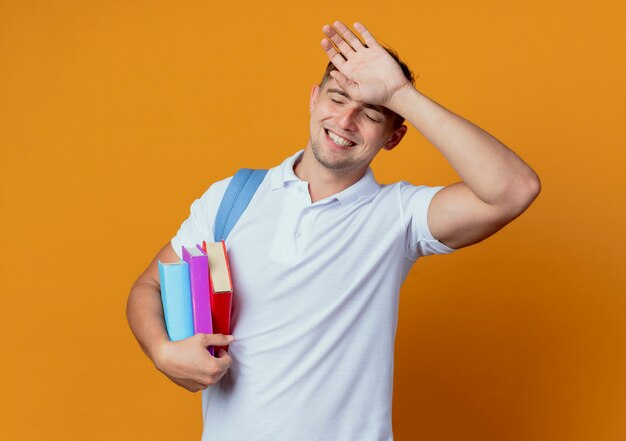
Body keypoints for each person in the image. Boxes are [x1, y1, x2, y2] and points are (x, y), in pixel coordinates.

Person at [127, 20, 540, 440]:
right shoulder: (230, 198)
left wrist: (401, 95)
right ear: (313, 98)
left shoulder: (399, 215)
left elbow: (514, 190)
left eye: (371, 113)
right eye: (338, 97)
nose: (345, 120)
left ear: (394, 137)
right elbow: (148, 288)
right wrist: (163, 352)